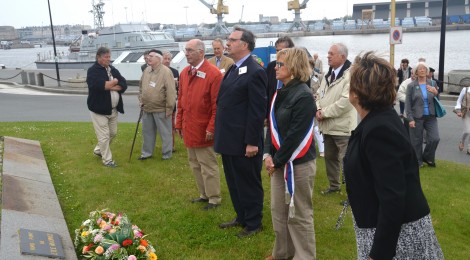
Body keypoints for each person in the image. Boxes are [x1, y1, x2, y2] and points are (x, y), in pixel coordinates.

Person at [345, 51, 443, 260]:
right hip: (387, 230)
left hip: (399, 238)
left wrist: (378, 253)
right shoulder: (378, 121)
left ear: (358, 91)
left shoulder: (379, 129)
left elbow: (393, 197)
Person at [263, 47, 317, 260]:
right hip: (277, 161)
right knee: (279, 211)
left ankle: (304, 256)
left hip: (298, 164)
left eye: (280, 64)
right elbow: (272, 127)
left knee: (299, 213)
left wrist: (276, 160)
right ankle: (282, 253)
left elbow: (296, 135)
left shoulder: (303, 95)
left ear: (293, 68)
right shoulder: (280, 91)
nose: (275, 68)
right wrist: (267, 154)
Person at [214, 27, 267, 238]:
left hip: (245, 141)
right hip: (229, 138)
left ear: (244, 44)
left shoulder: (255, 71)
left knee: (248, 182)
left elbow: (256, 110)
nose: (227, 43)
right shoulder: (234, 68)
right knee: (234, 181)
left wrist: (253, 142)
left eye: (232, 40)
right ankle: (242, 216)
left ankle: (254, 223)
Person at [175, 39, 223, 210]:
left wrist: (212, 127)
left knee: (208, 164)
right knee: (194, 163)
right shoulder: (184, 73)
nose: (186, 53)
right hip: (189, 127)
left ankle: (214, 197)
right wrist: (178, 123)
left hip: (203, 128)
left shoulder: (214, 74)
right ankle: (203, 194)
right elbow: (181, 100)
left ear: (201, 52)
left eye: (190, 50)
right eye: (185, 50)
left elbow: (217, 105)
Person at [315, 43, 356, 195]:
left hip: (343, 127)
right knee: (330, 158)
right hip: (327, 126)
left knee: (347, 161)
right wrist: (318, 108)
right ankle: (334, 186)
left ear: (343, 57)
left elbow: (347, 101)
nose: (328, 56)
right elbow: (319, 94)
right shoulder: (328, 74)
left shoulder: (351, 75)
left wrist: (323, 112)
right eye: (328, 53)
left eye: (331, 53)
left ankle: (352, 192)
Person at [87, 47, 127, 168]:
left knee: (113, 133)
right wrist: (114, 82)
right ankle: (107, 160)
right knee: (104, 135)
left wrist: (110, 84)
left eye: (109, 57)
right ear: (98, 57)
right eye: (106, 57)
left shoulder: (112, 69)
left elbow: (124, 85)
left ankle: (99, 150)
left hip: (113, 109)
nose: (108, 59)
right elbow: (100, 86)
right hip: (99, 110)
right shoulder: (93, 71)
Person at [138, 49, 177, 160]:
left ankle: (167, 154)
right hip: (147, 108)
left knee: (165, 133)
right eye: (148, 56)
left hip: (161, 109)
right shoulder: (146, 70)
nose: (148, 58)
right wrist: (141, 100)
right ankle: (146, 153)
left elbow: (171, 91)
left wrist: (169, 108)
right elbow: (141, 87)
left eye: (151, 56)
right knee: (147, 133)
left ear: (159, 59)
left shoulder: (166, 71)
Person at [405, 62, 440, 167]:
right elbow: (408, 104)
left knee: (435, 138)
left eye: (424, 68)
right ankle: (418, 162)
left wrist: (435, 93)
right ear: (416, 71)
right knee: (416, 141)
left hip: (431, 116)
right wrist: (410, 119)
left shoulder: (432, 84)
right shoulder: (411, 86)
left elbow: (437, 101)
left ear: (427, 71)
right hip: (416, 117)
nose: (422, 70)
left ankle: (427, 157)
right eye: (420, 69)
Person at [265, 36, 295, 117]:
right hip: (272, 116)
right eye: (277, 50)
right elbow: (267, 92)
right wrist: (266, 115)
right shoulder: (271, 67)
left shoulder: (297, 69)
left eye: (281, 51)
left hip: (290, 116)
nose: (278, 53)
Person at [162, 51, 180, 152]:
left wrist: (177, 85)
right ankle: (165, 146)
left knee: (171, 126)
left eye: (169, 59)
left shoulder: (175, 72)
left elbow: (179, 88)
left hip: (171, 103)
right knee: (162, 127)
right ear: (161, 59)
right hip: (160, 103)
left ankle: (171, 147)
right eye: (166, 59)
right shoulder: (158, 71)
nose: (167, 61)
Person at [454, 86, 470, 154]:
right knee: (467, 131)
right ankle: (462, 141)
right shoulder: (465, 89)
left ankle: (469, 148)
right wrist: (458, 110)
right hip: (466, 112)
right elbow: (459, 101)